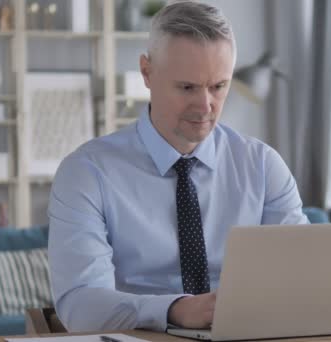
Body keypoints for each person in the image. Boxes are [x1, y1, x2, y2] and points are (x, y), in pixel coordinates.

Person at [48, 1, 308, 333]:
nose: (205, 106)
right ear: (147, 72)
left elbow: (301, 282)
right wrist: (175, 310)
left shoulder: (263, 167)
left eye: (219, 87)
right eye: (187, 87)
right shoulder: (87, 173)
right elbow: (81, 307)